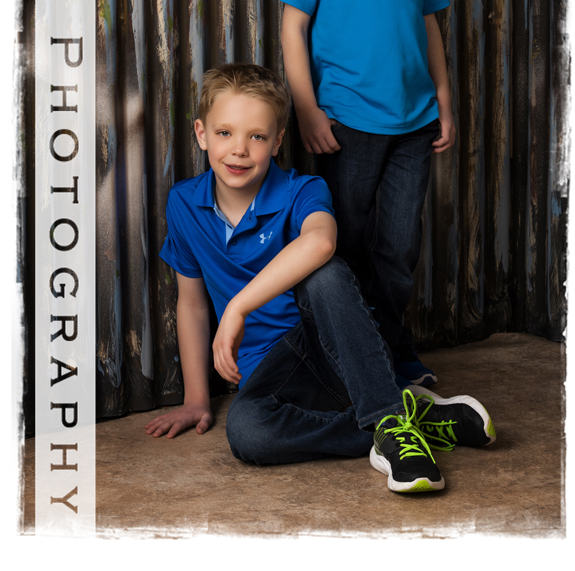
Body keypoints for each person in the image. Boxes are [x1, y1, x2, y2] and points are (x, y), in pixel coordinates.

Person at [146, 63, 495, 494]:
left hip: (337, 349)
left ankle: (387, 420)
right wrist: (196, 398)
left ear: (276, 141)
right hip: (273, 375)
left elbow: (321, 244)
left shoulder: (303, 189)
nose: (238, 149)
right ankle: (405, 420)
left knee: (324, 275)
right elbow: (193, 303)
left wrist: (238, 306)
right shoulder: (183, 203)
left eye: (256, 136)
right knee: (248, 432)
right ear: (201, 134)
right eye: (224, 133)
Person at [278, 0, 454, 387]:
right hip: (346, 123)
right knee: (342, 247)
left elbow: (429, 25)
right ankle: (346, 362)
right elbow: (293, 25)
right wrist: (306, 109)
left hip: (415, 125)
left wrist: (445, 104)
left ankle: (394, 354)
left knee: (398, 251)